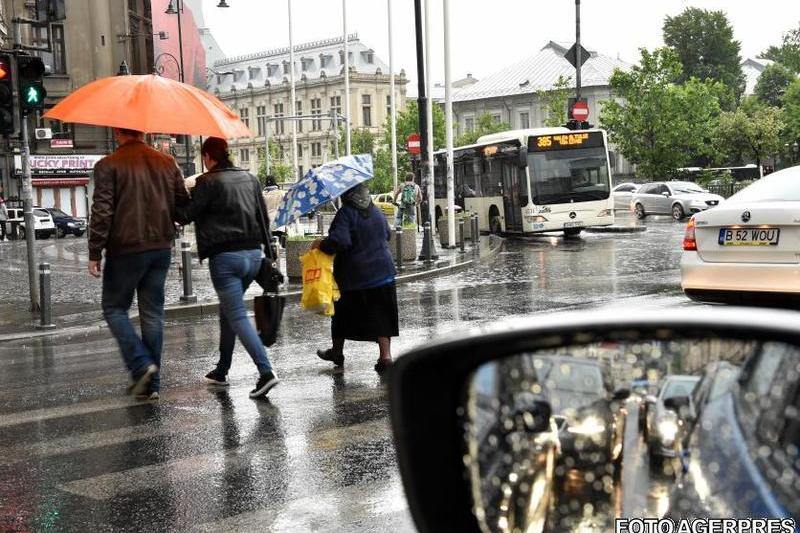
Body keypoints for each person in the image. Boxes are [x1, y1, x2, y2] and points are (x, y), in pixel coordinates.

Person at [88, 128, 189, 400]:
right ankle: (151, 385)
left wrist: (95, 250)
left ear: (118, 131)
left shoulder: (108, 165)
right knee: (153, 314)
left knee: (114, 307)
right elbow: (184, 207)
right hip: (160, 248)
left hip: (126, 249)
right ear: (142, 131)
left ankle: (140, 364)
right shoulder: (167, 163)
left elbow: (102, 211)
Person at [177, 137, 279, 399]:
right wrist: (268, 256)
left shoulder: (207, 182)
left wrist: (174, 192)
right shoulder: (250, 178)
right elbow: (263, 219)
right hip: (253, 256)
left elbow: (185, 215)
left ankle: (265, 372)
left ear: (208, 156)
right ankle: (222, 370)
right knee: (227, 311)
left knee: (236, 315)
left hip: (226, 260)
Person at [314, 183, 399, 373]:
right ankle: (385, 357)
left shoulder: (346, 213)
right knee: (382, 316)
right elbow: (387, 234)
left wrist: (321, 244)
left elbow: (340, 241)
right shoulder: (376, 211)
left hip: (356, 277)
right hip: (384, 273)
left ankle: (337, 352)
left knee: (341, 315)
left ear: (347, 195)